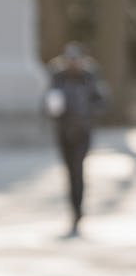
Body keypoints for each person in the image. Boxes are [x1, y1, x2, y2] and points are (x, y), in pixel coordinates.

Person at [44, 42, 109, 237]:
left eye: (76, 60)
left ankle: (78, 210)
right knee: (69, 172)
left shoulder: (90, 77)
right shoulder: (57, 77)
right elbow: (45, 102)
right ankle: (73, 208)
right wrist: (52, 108)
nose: (73, 64)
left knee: (78, 169)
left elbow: (102, 102)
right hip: (64, 131)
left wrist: (87, 112)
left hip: (82, 131)